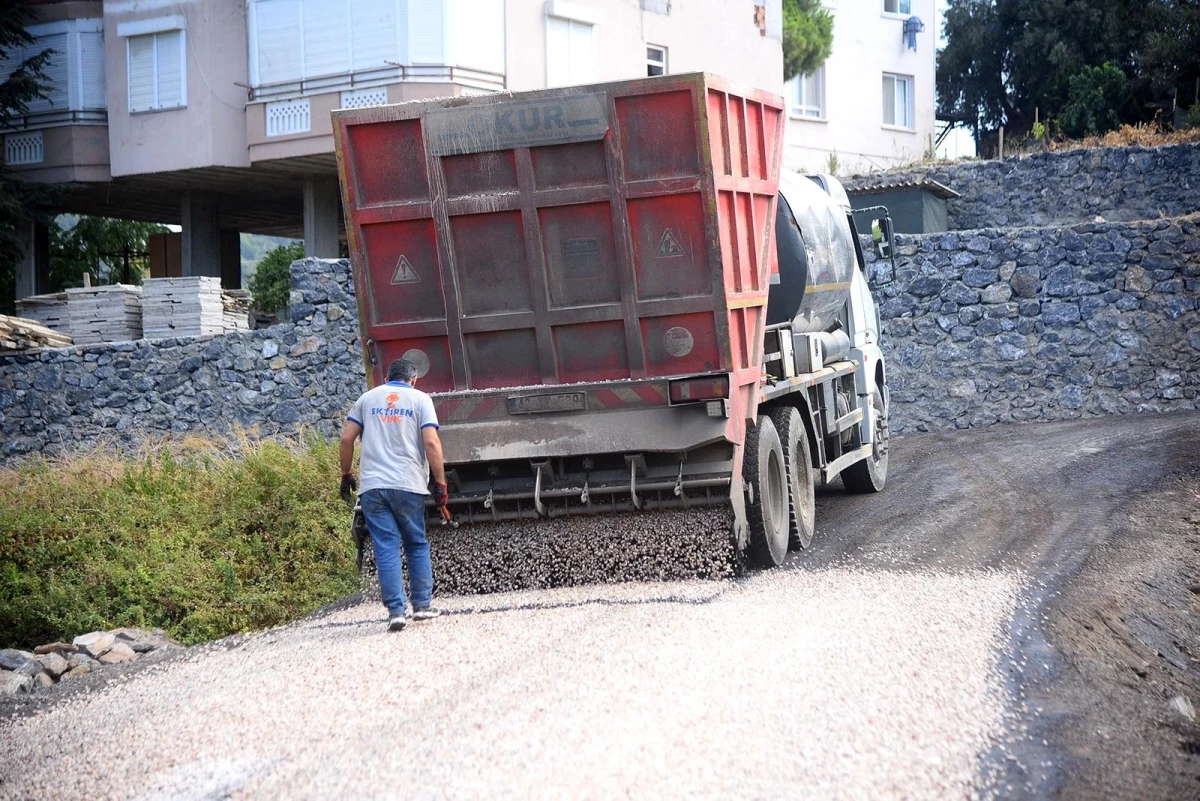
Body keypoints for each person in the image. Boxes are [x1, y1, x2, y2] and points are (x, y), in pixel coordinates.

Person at [339, 358, 448, 632]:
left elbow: (346, 438)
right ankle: (422, 606)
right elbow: (431, 442)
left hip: (373, 486)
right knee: (415, 543)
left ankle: (396, 613)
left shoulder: (367, 399)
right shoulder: (420, 399)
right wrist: (441, 482)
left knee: (386, 546)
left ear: (386, 379)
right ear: (413, 380)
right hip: (408, 483)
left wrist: (345, 475)